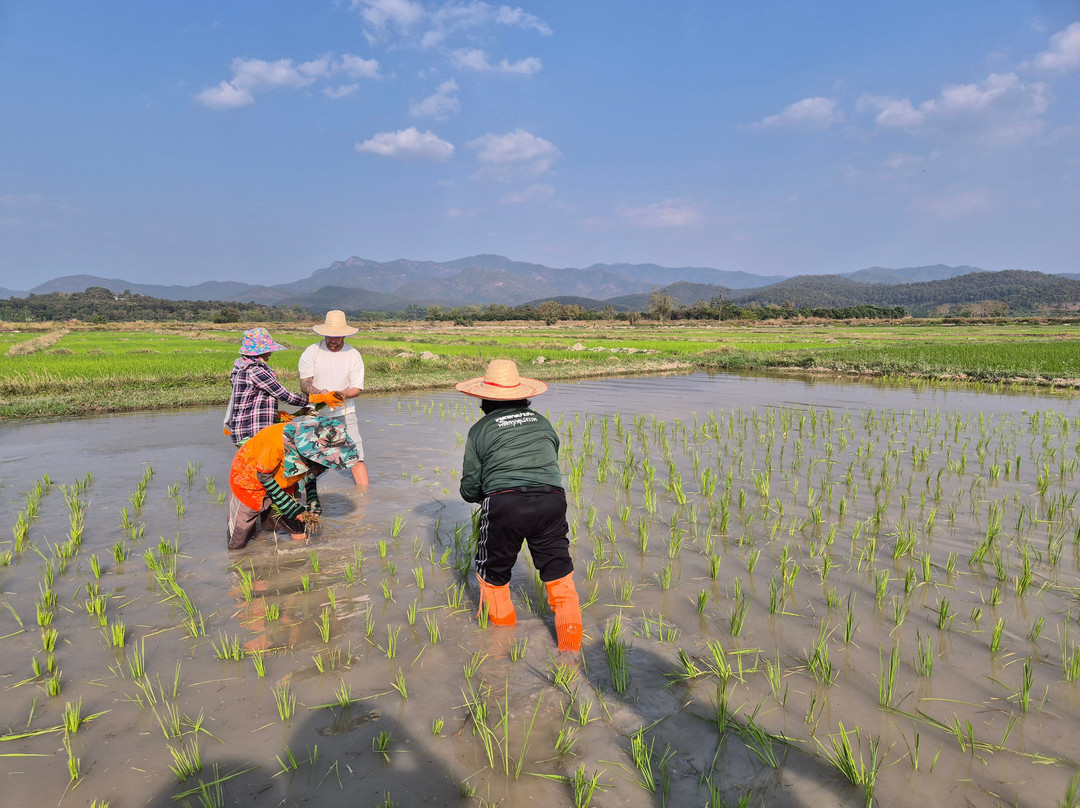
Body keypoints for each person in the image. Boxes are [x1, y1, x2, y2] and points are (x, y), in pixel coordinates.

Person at [456, 359, 582, 652]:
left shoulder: (480, 430)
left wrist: (483, 498)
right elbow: (549, 459)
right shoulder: (542, 422)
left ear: (485, 398)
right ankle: (571, 653)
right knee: (559, 574)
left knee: (494, 575)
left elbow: (470, 486)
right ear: (523, 395)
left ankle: (503, 651)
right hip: (552, 501)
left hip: (505, 503)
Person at [227, 415, 360, 550]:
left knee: (299, 529)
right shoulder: (275, 440)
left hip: (285, 482)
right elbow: (263, 476)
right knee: (240, 537)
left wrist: (312, 500)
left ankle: (300, 561)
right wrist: (291, 508)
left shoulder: (320, 455)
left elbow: (311, 474)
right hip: (250, 480)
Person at [224, 327, 342, 446]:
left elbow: (249, 401)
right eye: (269, 350)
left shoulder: (241, 368)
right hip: (253, 433)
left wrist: (274, 414)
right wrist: (317, 398)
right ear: (261, 351)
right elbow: (286, 396)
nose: (270, 353)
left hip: (243, 432)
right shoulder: (256, 371)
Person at [299, 310, 370, 486]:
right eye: (329, 336)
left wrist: (339, 395)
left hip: (345, 413)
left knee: (356, 457)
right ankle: (301, 499)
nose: (333, 340)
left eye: (337, 337)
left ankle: (364, 503)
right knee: (305, 458)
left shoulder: (353, 355)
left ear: (344, 335)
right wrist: (320, 394)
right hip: (315, 412)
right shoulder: (312, 351)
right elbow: (305, 383)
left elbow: (356, 388)